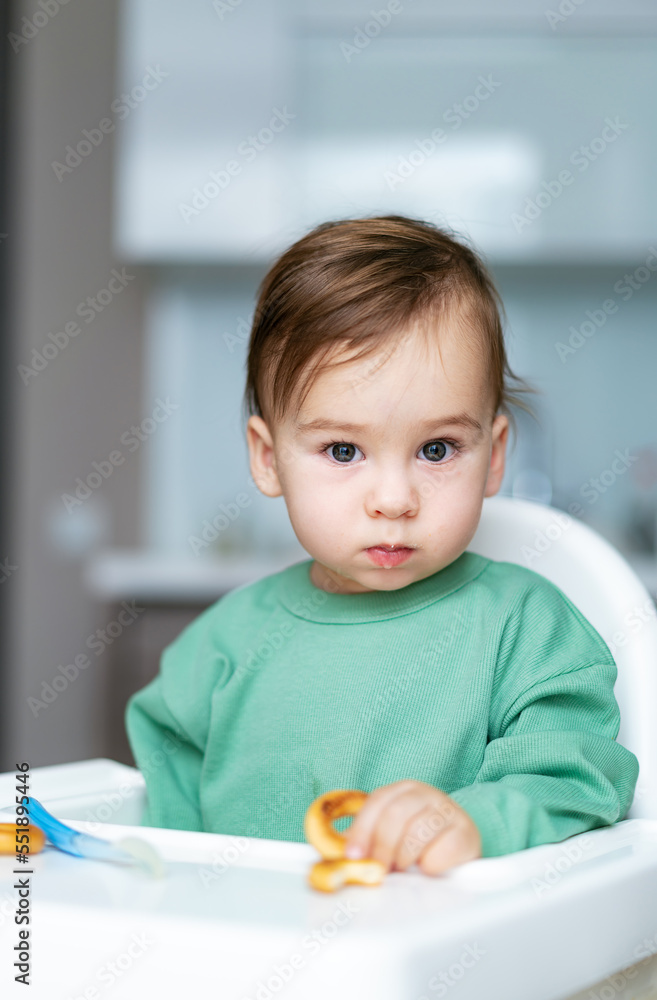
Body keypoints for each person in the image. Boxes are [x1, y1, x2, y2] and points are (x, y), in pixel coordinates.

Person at [125, 214, 639, 876]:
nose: (393, 499)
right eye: (343, 450)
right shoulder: (214, 652)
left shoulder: (529, 633)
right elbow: (169, 847)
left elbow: (579, 779)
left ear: (493, 455)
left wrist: (472, 824)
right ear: (267, 458)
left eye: (436, 449)